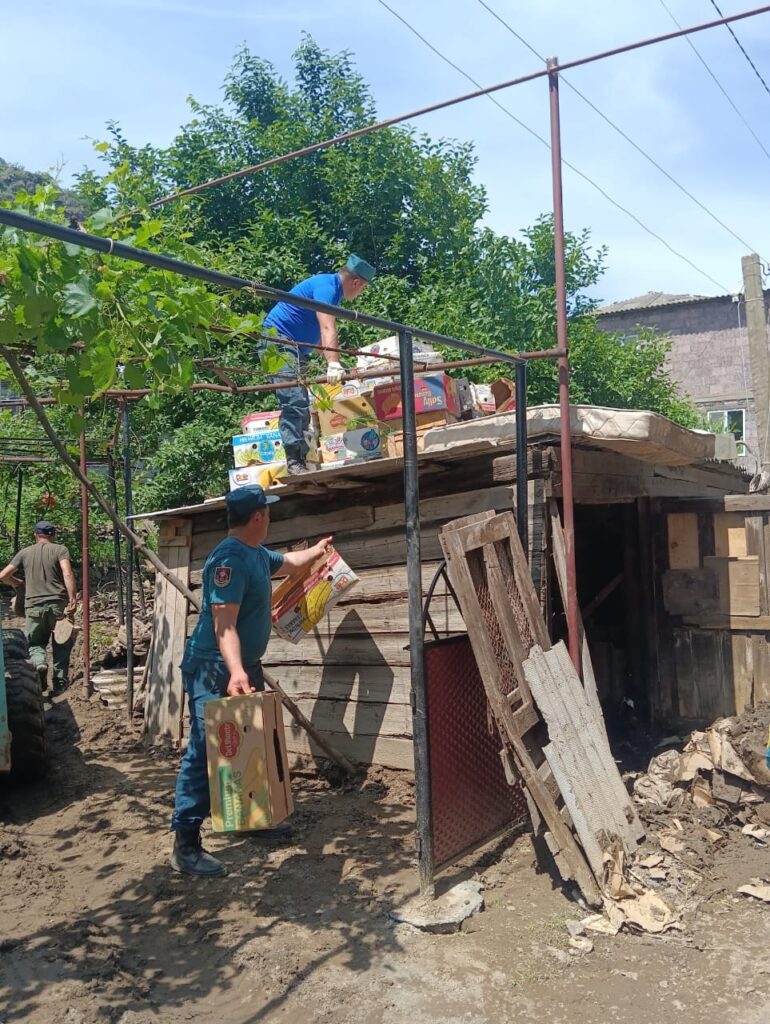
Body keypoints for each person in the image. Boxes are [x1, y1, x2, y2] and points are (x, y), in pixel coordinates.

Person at [171, 484, 332, 878]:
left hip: (241, 665)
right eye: (268, 512)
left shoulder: (257, 553)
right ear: (258, 516)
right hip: (213, 667)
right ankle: (185, 844)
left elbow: (289, 563)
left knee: (250, 741)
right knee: (205, 749)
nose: (270, 517)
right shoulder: (229, 560)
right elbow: (223, 625)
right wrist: (237, 671)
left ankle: (251, 816)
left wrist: (317, 552)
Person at [261, 254, 376, 475]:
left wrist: (336, 364)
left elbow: (318, 339)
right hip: (278, 343)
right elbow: (327, 329)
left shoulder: (330, 290)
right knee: (294, 400)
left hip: (292, 347)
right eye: (363, 288)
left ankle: (304, 459)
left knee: (303, 405)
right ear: (356, 283)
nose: (360, 293)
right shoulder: (327, 289)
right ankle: (294, 461)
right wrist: (333, 363)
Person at [0, 521, 78, 693]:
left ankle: (39, 663)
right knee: (62, 643)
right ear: (53, 535)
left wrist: (18, 583)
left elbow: (3, 575)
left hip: (33, 605)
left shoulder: (25, 552)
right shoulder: (60, 550)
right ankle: (59, 683)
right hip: (58, 604)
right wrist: (73, 598)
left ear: (35, 534)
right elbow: (67, 572)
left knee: (35, 642)